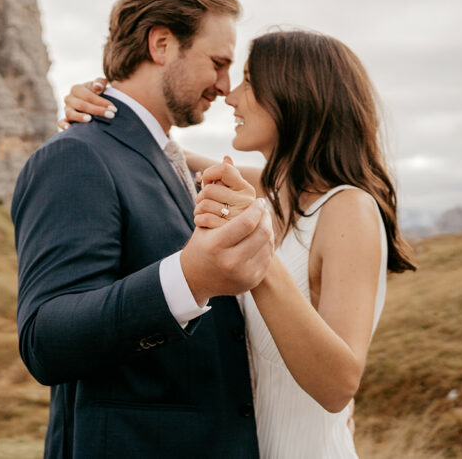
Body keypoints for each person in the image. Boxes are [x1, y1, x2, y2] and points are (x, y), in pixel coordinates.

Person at [63, 29, 417, 458]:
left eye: (249, 80)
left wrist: (256, 258)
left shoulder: (349, 208)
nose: (231, 96)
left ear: (294, 94)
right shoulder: (275, 193)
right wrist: (102, 105)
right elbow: (163, 153)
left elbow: (339, 386)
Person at [13, 0, 275, 458]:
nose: (224, 85)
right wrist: (189, 278)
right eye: (217, 62)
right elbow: (46, 339)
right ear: (161, 44)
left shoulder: (165, 158)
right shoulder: (76, 156)